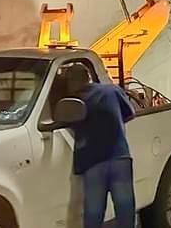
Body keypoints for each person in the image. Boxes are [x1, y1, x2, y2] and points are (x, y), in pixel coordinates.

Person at [62, 64, 137, 228]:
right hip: (120, 158)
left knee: (94, 215)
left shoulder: (73, 103)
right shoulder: (112, 91)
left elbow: (66, 121)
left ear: (72, 82)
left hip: (92, 163)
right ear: (88, 77)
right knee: (125, 211)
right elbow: (130, 114)